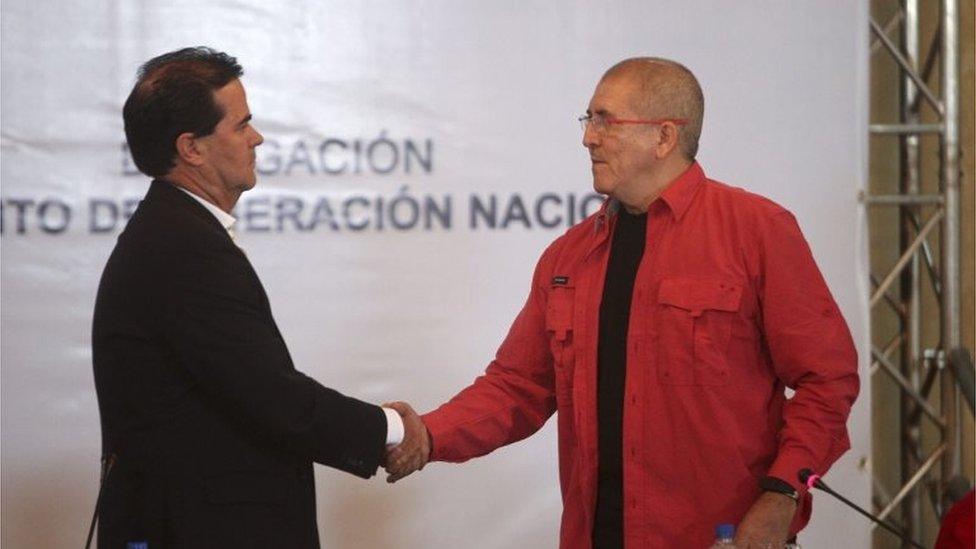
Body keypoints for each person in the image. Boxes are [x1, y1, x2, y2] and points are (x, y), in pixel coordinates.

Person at [386, 57, 859, 548]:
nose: (588, 138)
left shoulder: (756, 231)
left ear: (664, 137)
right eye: (589, 120)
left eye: (605, 121)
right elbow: (518, 386)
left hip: (722, 539)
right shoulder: (568, 256)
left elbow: (828, 381)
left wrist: (783, 494)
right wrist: (428, 435)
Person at [92, 47, 424, 548]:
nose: (257, 138)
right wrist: (390, 430)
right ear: (192, 148)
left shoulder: (176, 233)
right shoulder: (181, 248)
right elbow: (273, 397)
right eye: (241, 125)